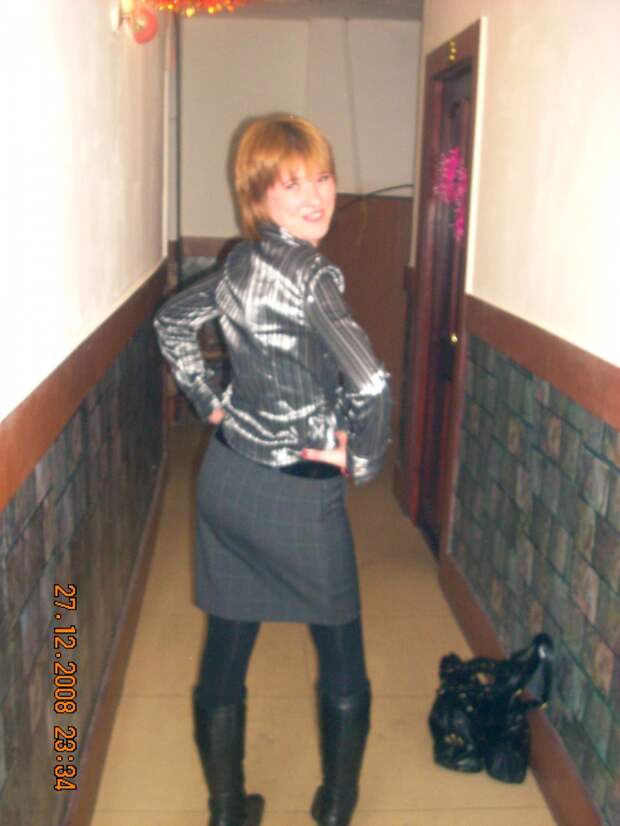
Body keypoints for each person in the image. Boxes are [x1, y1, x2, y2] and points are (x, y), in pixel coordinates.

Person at [154, 113, 391, 826]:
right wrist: (362, 458)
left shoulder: (238, 263)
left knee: (227, 648)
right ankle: (335, 808)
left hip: (229, 480)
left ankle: (228, 810)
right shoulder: (313, 275)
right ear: (258, 195)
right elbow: (372, 382)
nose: (316, 196)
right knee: (341, 652)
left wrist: (210, 403)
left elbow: (170, 321)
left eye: (323, 177)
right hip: (300, 495)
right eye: (292, 184)